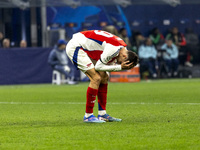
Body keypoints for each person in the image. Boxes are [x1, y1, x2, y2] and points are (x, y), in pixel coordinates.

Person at [66, 30, 139, 123]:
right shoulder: (114, 49)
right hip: (76, 47)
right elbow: (98, 66)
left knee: (104, 77)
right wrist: (120, 67)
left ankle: (102, 114)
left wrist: (119, 66)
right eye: (120, 62)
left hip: (85, 46)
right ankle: (88, 116)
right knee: (96, 78)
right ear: (125, 56)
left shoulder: (121, 47)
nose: (118, 63)